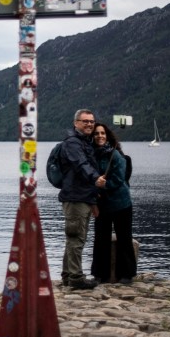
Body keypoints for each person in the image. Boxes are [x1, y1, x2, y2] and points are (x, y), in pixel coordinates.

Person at [58, 109, 106, 290]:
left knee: (74, 239)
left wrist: (93, 199)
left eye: (91, 121)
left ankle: (68, 276)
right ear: (76, 123)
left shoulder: (84, 142)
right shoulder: (72, 143)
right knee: (76, 239)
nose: (89, 124)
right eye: (85, 121)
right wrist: (96, 178)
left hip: (82, 197)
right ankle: (76, 278)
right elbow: (81, 164)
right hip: (75, 198)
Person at [90, 123, 137, 284]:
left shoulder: (115, 154)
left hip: (121, 203)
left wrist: (104, 185)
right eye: (96, 133)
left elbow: (119, 178)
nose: (100, 136)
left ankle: (127, 274)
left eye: (102, 133)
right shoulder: (90, 155)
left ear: (107, 136)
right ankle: (100, 275)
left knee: (124, 237)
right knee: (100, 239)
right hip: (102, 204)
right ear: (92, 137)